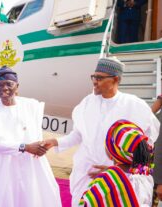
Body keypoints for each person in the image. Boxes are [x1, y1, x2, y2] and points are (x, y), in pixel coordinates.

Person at [43, 57, 159, 206]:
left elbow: (145, 150)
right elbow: (79, 134)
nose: (94, 81)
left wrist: (116, 171)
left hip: (120, 178)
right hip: (86, 173)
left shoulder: (135, 106)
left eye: (99, 78)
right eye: (94, 76)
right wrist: (55, 142)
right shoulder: (87, 103)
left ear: (115, 79)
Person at [0, 66, 61, 207]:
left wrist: (40, 147)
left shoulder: (30, 106)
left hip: (29, 167)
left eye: (9, 84)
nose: (4, 88)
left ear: (17, 86)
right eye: (0, 85)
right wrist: (25, 147)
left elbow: (35, 134)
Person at [79, 120, 154, 206]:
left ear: (114, 152)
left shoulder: (106, 182)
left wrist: (108, 176)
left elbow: (86, 204)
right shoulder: (146, 177)